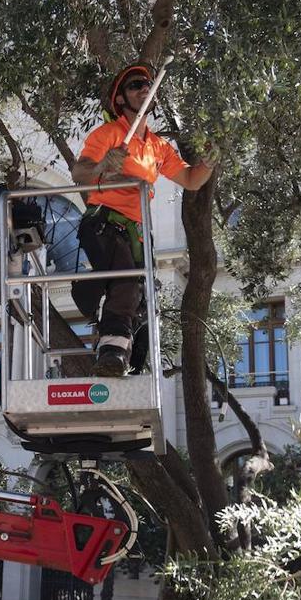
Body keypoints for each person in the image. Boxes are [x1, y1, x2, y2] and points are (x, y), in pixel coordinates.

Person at [70, 63, 216, 377]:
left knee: (139, 294)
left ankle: (131, 363)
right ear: (120, 100)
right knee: (125, 279)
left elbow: (191, 179)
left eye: (148, 84)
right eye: (136, 85)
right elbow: (79, 172)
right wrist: (102, 167)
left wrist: (208, 162)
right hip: (104, 223)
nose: (144, 88)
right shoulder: (108, 135)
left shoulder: (157, 147)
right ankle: (111, 351)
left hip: (135, 232)